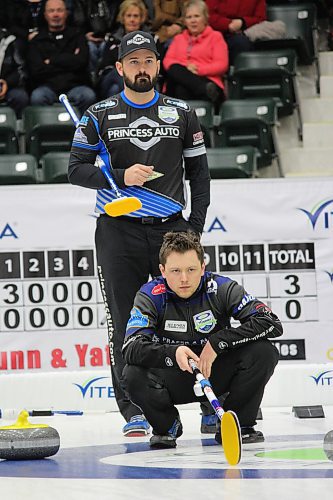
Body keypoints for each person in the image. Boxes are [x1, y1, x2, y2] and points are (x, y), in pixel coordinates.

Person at [67, 31, 210, 437]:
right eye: (134, 62)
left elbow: (199, 176)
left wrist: (194, 229)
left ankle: (205, 402)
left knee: (192, 316)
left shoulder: (182, 112)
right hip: (118, 231)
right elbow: (75, 169)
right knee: (125, 321)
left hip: (172, 231)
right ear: (120, 68)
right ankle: (133, 410)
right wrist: (116, 174)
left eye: (148, 61)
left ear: (158, 65)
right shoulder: (98, 114)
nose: (142, 68)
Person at [122, 231, 283, 448]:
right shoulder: (150, 294)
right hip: (174, 375)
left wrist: (219, 342)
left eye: (191, 269)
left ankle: (238, 424)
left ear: (203, 267)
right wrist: (172, 353)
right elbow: (131, 346)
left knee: (263, 352)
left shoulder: (222, 288)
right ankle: (167, 426)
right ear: (162, 270)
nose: (184, 279)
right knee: (132, 373)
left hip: (215, 372)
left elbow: (271, 323)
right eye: (175, 271)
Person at [28, 0, 96, 115]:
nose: (55, 14)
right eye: (51, 11)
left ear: (66, 13)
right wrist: (70, 59)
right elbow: (36, 70)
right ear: (45, 15)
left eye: (59, 10)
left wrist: (51, 61)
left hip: (76, 86)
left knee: (88, 95)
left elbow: (81, 62)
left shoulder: (78, 36)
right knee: (37, 97)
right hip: (47, 87)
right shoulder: (37, 40)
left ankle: (83, 131)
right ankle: (47, 132)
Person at [163, 0, 228, 110]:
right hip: (198, 89)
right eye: (189, 17)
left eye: (196, 16)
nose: (193, 21)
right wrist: (187, 68)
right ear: (184, 21)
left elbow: (222, 65)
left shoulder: (215, 37)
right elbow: (167, 61)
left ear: (205, 18)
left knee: (180, 86)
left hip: (208, 82)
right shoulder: (178, 39)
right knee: (174, 69)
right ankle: (202, 89)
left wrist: (198, 69)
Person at [96, 0, 151, 99]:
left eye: (136, 16)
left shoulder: (151, 40)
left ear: (142, 18)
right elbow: (105, 68)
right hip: (113, 77)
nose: (132, 20)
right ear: (122, 18)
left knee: (115, 89)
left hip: (144, 78)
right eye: (128, 16)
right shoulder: (112, 40)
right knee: (120, 74)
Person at [206, 0, 266, 64]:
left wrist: (243, 22)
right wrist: (228, 24)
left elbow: (260, 19)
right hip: (216, 31)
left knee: (241, 42)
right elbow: (207, 14)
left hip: (244, 33)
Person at [0, 28, 30, 117]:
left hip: (7, 86)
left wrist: (6, 83)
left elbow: (21, 70)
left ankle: (17, 129)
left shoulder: (12, 41)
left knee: (20, 97)